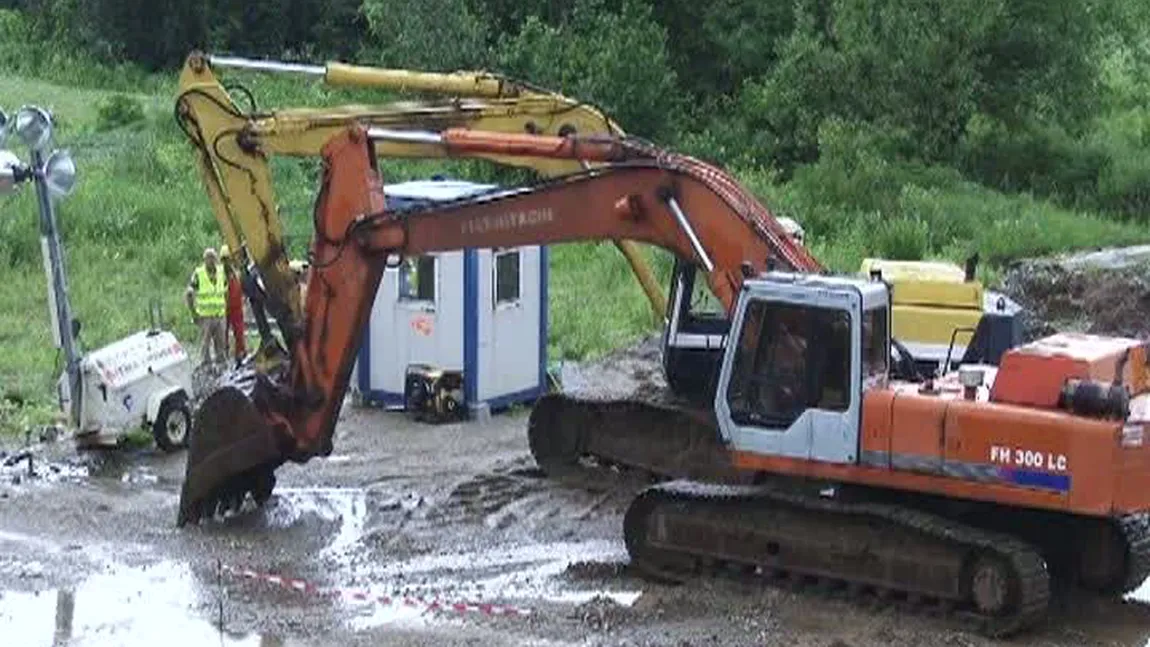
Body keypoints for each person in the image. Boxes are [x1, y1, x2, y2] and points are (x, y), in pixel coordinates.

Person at [185, 247, 228, 366]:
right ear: (204, 260)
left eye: (213, 258)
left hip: (219, 315)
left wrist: (225, 310)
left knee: (221, 348)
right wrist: (193, 313)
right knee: (205, 347)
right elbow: (189, 293)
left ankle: (222, 371)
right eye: (208, 259)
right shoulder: (199, 274)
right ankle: (205, 371)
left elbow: (225, 290)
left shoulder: (221, 272)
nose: (211, 261)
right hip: (205, 317)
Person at [220, 244, 246, 366]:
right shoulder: (221, 274)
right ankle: (223, 358)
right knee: (223, 335)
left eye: (228, 259)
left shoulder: (237, 272)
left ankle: (240, 357)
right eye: (224, 259)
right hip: (224, 308)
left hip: (236, 308)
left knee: (239, 334)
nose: (227, 262)